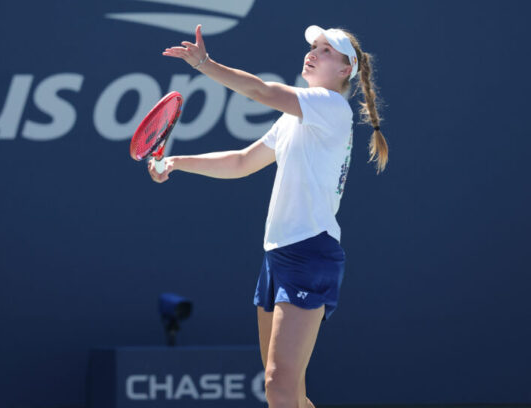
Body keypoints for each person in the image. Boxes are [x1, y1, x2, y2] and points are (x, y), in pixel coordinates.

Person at [150, 24, 388, 408]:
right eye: (314, 45)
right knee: (287, 391)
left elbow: (261, 91)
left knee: (279, 385)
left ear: (346, 70)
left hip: (310, 252)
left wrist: (206, 64)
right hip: (278, 254)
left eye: (327, 50)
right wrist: (176, 162)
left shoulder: (330, 107)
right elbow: (243, 162)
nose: (314, 51)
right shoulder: (295, 119)